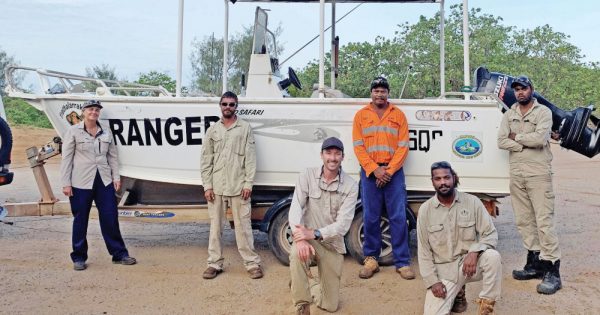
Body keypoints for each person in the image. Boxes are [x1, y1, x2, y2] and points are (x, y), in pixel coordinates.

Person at [497, 76, 562, 294]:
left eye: (523, 88)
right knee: (524, 221)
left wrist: (517, 138)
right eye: (516, 89)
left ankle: (552, 270)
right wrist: (523, 142)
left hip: (538, 174)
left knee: (544, 221)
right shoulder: (509, 114)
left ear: (531, 89)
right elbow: (501, 141)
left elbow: (540, 139)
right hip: (517, 174)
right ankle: (534, 264)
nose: (519, 92)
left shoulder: (543, 112)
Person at [60, 99, 136, 271]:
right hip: (80, 182)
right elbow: (66, 159)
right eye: (90, 109)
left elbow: (112, 157)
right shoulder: (73, 131)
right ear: (83, 111)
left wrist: (116, 177)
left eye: (96, 110)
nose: (94, 112)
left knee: (110, 217)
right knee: (80, 219)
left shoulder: (106, 131)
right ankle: (79, 257)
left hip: (104, 180)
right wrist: (66, 183)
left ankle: (119, 254)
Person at [418, 161, 501, 315]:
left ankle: (486, 306)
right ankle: (457, 293)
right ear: (433, 182)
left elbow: (490, 234)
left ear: (454, 178)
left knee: (492, 257)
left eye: (446, 177)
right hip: (444, 272)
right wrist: (433, 281)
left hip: (469, 266)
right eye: (438, 179)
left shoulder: (472, 202)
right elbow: (424, 251)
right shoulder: (425, 210)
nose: (443, 182)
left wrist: (474, 252)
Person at [352, 76, 414, 280]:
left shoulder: (398, 115)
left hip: (393, 173)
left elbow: (403, 146)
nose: (379, 94)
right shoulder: (361, 116)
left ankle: (402, 262)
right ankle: (371, 259)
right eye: (376, 90)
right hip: (370, 173)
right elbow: (359, 146)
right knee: (370, 216)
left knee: (397, 217)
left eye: (383, 90)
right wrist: (374, 169)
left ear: (388, 93)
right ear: (371, 93)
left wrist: (388, 171)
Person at [288, 137, 358, 315]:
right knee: (297, 253)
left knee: (330, 305)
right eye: (328, 153)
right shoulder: (307, 175)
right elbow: (296, 207)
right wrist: (301, 238)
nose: (332, 158)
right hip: (308, 241)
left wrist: (314, 233)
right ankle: (302, 305)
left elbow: (343, 225)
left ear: (343, 157)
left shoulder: (351, 186)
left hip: (332, 245)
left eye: (337, 154)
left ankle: (307, 282)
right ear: (321, 155)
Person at [200, 91, 262, 280]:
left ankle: (252, 264)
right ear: (220, 106)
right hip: (217, 187)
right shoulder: (213, 130)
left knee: (243, 227)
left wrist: (248, 183)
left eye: (232, 104)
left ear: (236, 107)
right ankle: (214, 263)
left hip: (238, 186)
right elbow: (206, 159)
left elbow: (250, 158)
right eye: (225, 104)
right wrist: (207, 186)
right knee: (215, 227)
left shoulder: (245, 128)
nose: (228, 107)